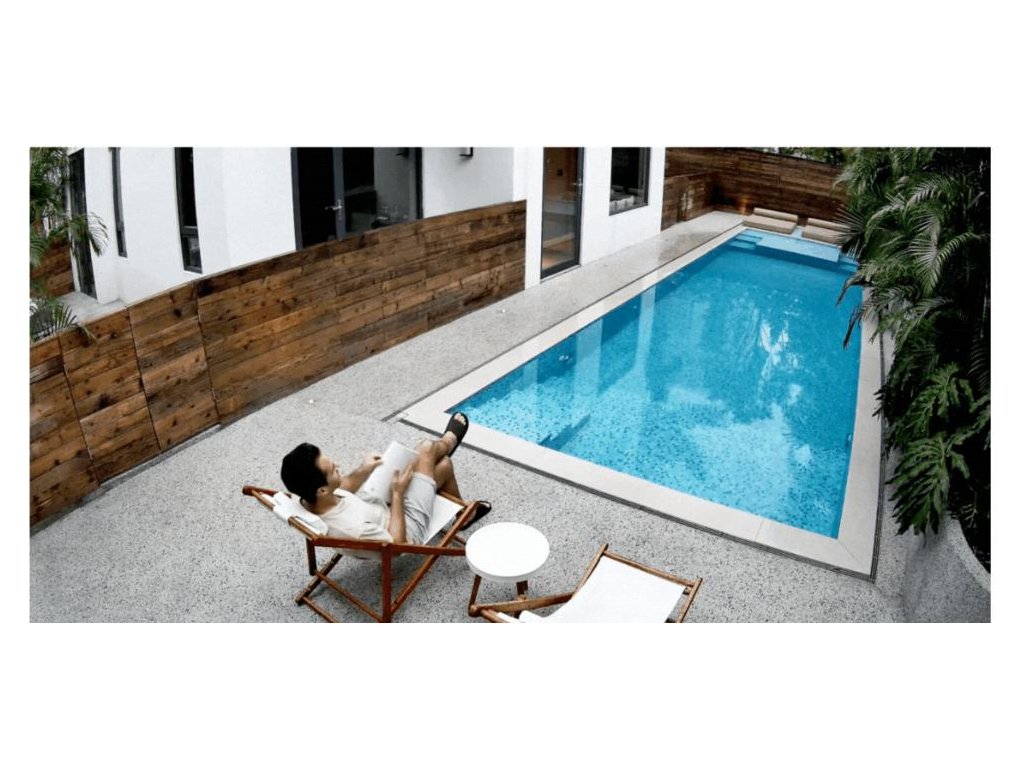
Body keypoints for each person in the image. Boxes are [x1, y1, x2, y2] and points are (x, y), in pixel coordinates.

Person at [279, 412, 489, 544]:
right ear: (322, 490)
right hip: (407, 526)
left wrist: (365, 469)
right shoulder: (353, 529)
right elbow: (398, 545)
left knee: (442, 465)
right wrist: (397, 493)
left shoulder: (305, 498)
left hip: (381, 505)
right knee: (427, 449)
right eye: (333, 470)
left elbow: (344, 488)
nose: (339, 466)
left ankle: (465, 512)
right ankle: (448, 442)